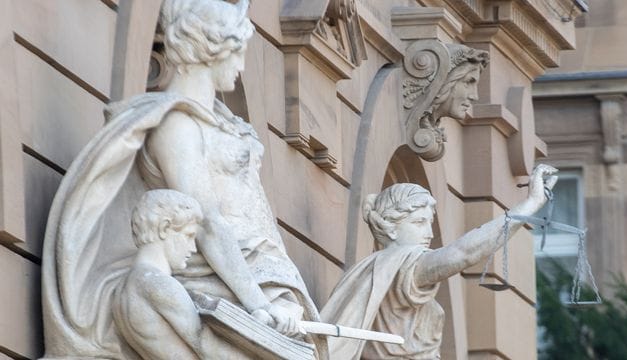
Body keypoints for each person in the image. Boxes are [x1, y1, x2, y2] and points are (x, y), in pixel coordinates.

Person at [41, 0, 325, 358]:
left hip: (253, 273)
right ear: (211, 48)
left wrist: (278, 294)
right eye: (237, 52)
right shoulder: (177, 125)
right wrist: (258, 305)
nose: (240, 65)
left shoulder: (218, 120)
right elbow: (207, 222)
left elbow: (252, 216)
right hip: (216, 276)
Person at [321, 164, 558, 359]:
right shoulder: (403, 264)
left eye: (429, 223)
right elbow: (463, 253)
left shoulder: (370, 271)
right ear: (390, 228)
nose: (429, 233)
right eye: (418, 222)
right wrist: (531, 204)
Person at [112, 189, 217, 359]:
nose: (193, 248)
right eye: (189, 236)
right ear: (164, 228)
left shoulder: (126, 286)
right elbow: (206, 345)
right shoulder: (157, 284)